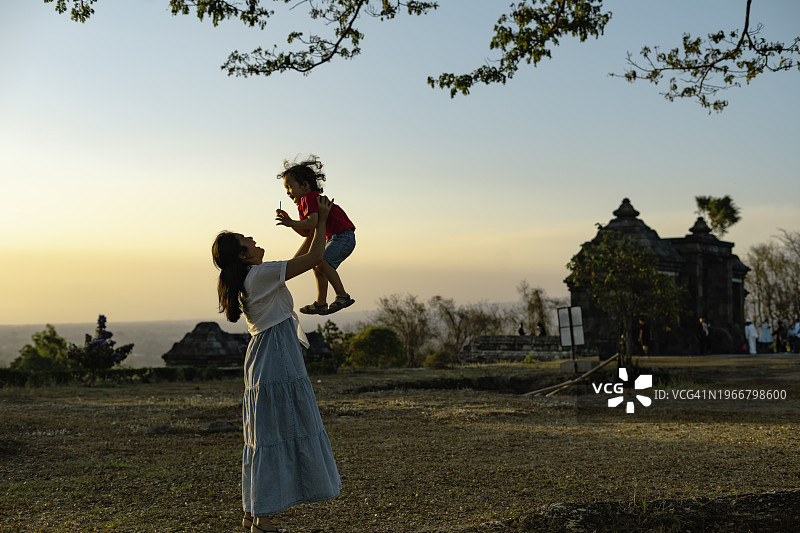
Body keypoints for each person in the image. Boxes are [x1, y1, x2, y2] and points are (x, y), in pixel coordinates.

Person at [212, 196, 340, 533]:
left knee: (263, 434)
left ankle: (254, 511)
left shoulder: (252, 277)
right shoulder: (260, 275)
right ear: (243, 255)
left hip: (262, 357)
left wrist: (311, 228)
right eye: (247, 241)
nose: (254, 241)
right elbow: (315, 258)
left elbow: (298, 261)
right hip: (277, 354)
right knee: (275, 433)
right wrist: (323, 221)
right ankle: (263, 520)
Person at [275, 155, 356, 315]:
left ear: (304, 185)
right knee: (317, 265)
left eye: (289, 187)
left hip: (342, 236)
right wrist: (290, 221)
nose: (288, 193)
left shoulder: (309, 198)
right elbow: (307, 232)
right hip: (335, 237)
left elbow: (312, 223)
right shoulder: (303, 203)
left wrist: (290, 223)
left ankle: (342, 295)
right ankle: (321, 302)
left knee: (322, 262)